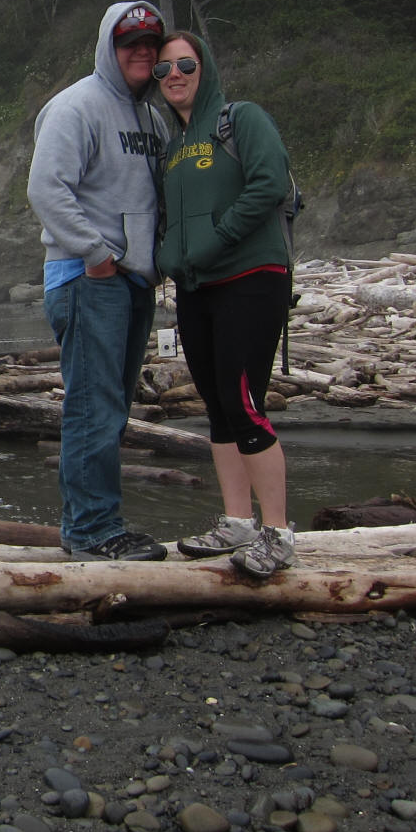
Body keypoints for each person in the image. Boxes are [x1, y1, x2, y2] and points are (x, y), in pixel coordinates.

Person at [26, 1, 169, 561]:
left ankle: (96, 524)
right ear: (109, 47)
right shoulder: (76, 106)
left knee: (113, 408)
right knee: (92, 408)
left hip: (132, 281)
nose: (142, 51)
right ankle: (91, 532)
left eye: (151, 43)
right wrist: (97, 255)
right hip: (88, 278)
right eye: (129, 42)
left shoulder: (153, 119)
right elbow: (46, 188)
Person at [154, 30, 296, 578]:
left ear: (204, 67)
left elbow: (270, 183)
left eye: (185, 64)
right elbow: (167, 219)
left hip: (250, 277)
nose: (174, 74)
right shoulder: (172, 148)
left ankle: (277, 533)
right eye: (164, 68)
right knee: (216, 405)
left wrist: (219, 238)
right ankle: (237, 523)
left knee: (244, 401)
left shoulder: (242, 120)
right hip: (196, 287)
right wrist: (167, 256)